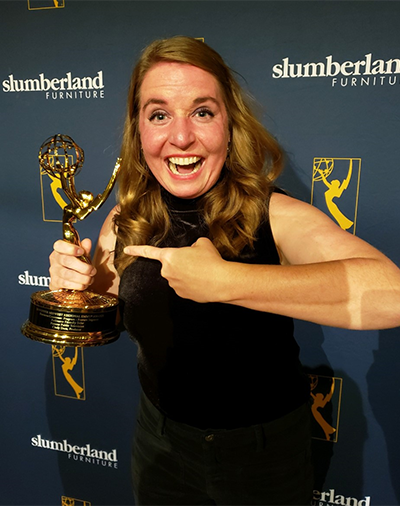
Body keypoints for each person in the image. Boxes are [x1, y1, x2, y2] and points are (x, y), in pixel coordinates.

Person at [49, 36, 400, 506]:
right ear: (138, 130)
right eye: (159, 114)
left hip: (263, 456)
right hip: (160, 441)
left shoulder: (275, 214)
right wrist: (82, 288)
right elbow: (114, 303)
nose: (180, 137)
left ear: (230, 125)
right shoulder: (126, 217)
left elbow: (391, 294)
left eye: (202, 112)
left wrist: (228, 283)